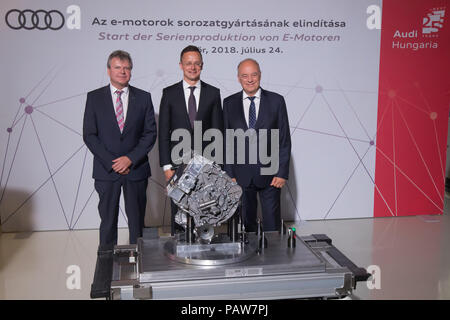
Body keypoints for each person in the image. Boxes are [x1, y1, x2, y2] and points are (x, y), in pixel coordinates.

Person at [83, 50, 157, 247]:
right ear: (109, 70)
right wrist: (112, 162)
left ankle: (140, 261)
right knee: (107, 222)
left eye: (127, 68)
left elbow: (150, 133)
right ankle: (106, 263)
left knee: (137, 223)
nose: (122, 72)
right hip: (106, 171)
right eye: (118, 67)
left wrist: (129, 159)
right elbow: (89, 135)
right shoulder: (94, 98)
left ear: (131, 71)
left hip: (135, 169)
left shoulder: (143, 97)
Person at [158, 45, 223, 235]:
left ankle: (203, 252)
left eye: (196, 63)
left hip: (205, 166)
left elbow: (218, 133)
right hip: (177, 166)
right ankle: (178, 255)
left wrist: (216, 167)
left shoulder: (213, 93)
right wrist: (166, 167)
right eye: (188, 63)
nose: (192, 67)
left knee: (204, 211)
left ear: (202, 66)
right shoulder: (169, 93)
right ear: (181, 65)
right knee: (179, 213)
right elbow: (163, 132)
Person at [223, 58, 291, 232]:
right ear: (238, 78)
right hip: (240, 176)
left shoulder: (276, 101)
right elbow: (227, 142)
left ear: (260, 75)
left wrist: (282, 172)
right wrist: (229, 174)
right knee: (247, 226)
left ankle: (274, 258)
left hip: (270, 175)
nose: (250, 79)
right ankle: (251, 258)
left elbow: (283, 139)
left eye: (254, 74)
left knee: (272, 225)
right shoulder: (229, 103)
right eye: (245, 76)